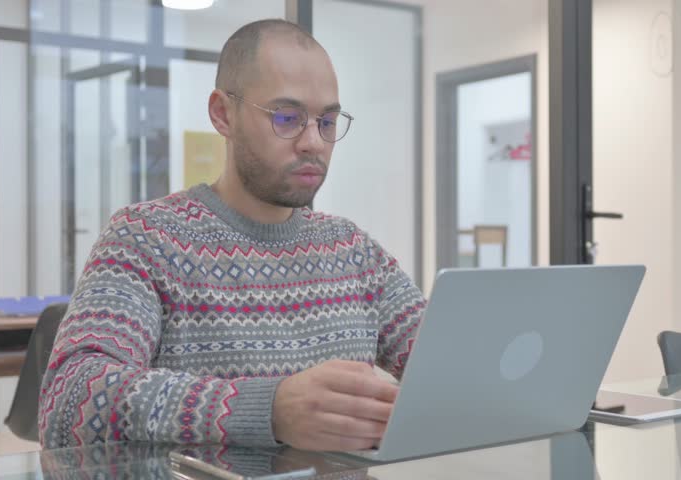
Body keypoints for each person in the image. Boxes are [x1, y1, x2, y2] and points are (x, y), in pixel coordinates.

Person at [39, 19, 425, 452]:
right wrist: (266, 410)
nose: (313, 142)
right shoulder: (147, 239)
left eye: (328, 121)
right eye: (287, 117)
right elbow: (70, 401)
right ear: (223, 114)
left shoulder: (353, 251)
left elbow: (444, 359)